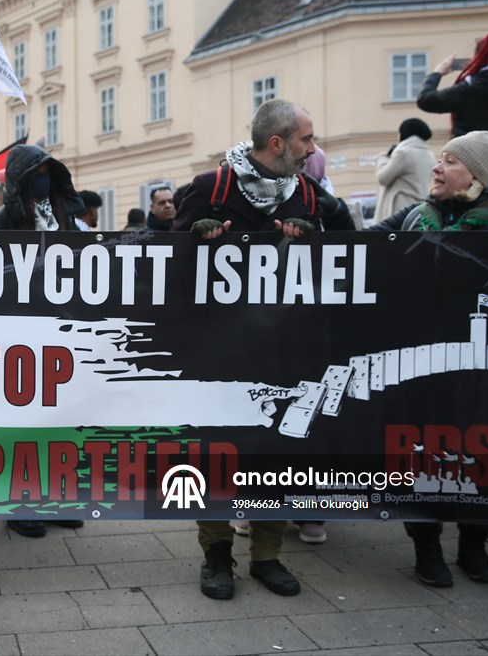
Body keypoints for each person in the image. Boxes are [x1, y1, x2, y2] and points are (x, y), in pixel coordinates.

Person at [172, 98, 355, 600]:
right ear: (277, 143)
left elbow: (349, 256)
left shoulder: (308, 193)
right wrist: (195, 239)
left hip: (284, 349)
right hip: (216, 354)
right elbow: (165, 260)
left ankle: (267, 557)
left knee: (277, 452)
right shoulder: (211, 188)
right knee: (212, 455)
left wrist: (318, 240)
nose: (312, 148)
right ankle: (216, 555)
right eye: (306, 139)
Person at [370, 130, 488, 587]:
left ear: (478, 175)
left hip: (486, 370)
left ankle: (474, 545)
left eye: (450, 162)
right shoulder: (414, 218)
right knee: (419, 451)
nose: (437, 168)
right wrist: (319, 215)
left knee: (482, 449)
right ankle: (427, 547)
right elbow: (359, 247)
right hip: (423, 366)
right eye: (440, 160)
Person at [0, 143, 86, 538]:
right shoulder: (0, 222)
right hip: (18, 336)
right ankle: (21, 502)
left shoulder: (68, 221)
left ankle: (59, 497)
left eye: (47, 174)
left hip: (63, 334)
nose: (42, 182)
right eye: (35, 175)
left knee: (61, 420)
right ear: (19, 180)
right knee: (23, 422)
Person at [416, 31, 488, 205]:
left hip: (466, 170)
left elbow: (425, 100)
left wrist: (437, 72)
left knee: (463, 214)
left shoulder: (469, 88)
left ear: (478, 56)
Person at [375, 118, 437, 222]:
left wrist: (383, 158)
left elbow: (382, 178)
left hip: (399, 209)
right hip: (418, 209)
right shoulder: (430, 155)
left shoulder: (403, 153)